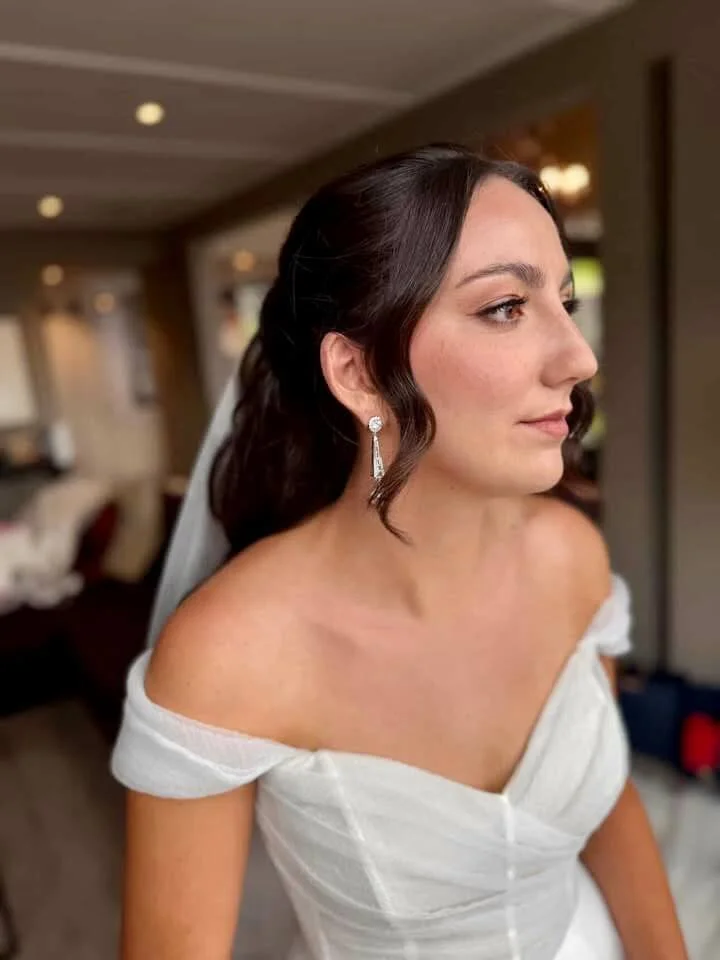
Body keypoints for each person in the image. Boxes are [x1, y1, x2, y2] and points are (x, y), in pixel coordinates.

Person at [111, 144, 687, 959]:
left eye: (564, 302)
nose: (580, 358)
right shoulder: (231, 653)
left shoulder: (569, 555)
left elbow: (608, 804)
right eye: (505, 308)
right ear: (359, 372)